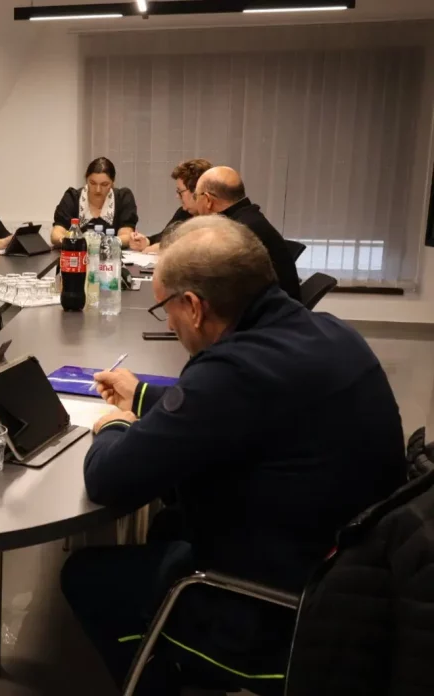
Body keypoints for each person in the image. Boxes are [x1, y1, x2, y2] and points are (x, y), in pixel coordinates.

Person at [60, 216, 406, 696]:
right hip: (352, 585)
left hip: (284, 618)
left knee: (87, 577)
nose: (170, 323)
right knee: (168, 524)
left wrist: (112, 425)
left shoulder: (232, 372)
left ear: (194, 307)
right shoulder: (329, 332)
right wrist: (139, 396)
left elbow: (109, 478)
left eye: (165, 309)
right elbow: (235, 408)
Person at [194, 166, 301, 300]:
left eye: (196, 196)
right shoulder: (248, 218)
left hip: (270, 310)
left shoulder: (237, 232)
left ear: (208, 200)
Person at [52, 156, 145, 250]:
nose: (98, 190)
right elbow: (56, 234)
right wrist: (70, 242)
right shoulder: (72, 197)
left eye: (104, 184)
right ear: (86, 180)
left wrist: (97, 243)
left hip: (111, 256)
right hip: (77, 255)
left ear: (113, 183)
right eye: (92, 183)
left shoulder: (123, 198)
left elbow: (126, 236)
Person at [145, 158, 213, 253]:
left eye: (180, 192)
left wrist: (162, 248)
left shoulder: (218, 222)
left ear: (196, 191)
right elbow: (164, 237)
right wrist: (147, 241)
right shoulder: (184, 213)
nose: (177, 196)